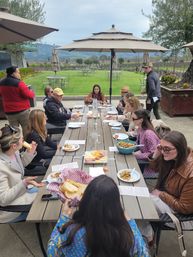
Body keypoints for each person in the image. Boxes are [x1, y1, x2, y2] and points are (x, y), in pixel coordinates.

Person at [47, 175, 150, 257]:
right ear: (116, 205)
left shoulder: (72, 231)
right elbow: (144, 254)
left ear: (85, 200)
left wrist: (63, 218)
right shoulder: (127, 236)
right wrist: (131, 223)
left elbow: (51, 252)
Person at [141, 131, 193, 242]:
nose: (163, 151)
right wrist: (157, 151)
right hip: (170, 198)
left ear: (179, 148)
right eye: (161, 147)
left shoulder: (190, 175)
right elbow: (154, 169)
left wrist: (161, 194)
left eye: (167, 149)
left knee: (140, 203)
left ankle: (147, 234)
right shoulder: (175, 156)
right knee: (138, 199)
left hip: (182, 217)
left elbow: (184, 207)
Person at [0, 124, 44, 223]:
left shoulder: (12, 152)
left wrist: (30, 153)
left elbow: (19, 166)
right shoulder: (1, 167)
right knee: (46, 203)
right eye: (22, 139)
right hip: (11, 208)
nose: (24, 140)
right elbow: (3, 199)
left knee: (48, 191)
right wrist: (24, 183)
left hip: (21, 193)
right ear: (14, 145)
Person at [0, 66, 35, 137]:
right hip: (22, 111)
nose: (19, 74)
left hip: (9, 112)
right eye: (18, 72)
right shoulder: (19, 83)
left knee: (14, 131)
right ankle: (26, 146)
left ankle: (15, 145)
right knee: (27, 129)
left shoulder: (1, 83)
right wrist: (31, 92)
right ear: (13, 73)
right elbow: (30, 95)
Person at [131, 109, 160, 177]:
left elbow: (153, 154)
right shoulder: (140, 129)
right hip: (143, 160)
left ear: (141, 120)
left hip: (149, 166)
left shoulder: (148, 133)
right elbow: (138, 144)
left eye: (133, 118)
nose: (132, 120)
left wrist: (136, 155)